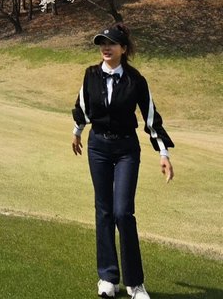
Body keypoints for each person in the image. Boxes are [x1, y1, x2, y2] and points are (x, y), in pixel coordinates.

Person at [71, 24, 174, 299]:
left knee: (123, 213)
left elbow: (151, 118)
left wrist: (163, 153)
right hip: (99, 147)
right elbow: (82, 106)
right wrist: (77, 131)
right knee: (103, 211)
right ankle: (107, 278)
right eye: (102, 43)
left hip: (127, 148)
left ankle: (135, 283)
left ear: (123, 49)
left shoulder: (135, 80)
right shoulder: (90, 75)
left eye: (112, 43)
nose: (106, 47)